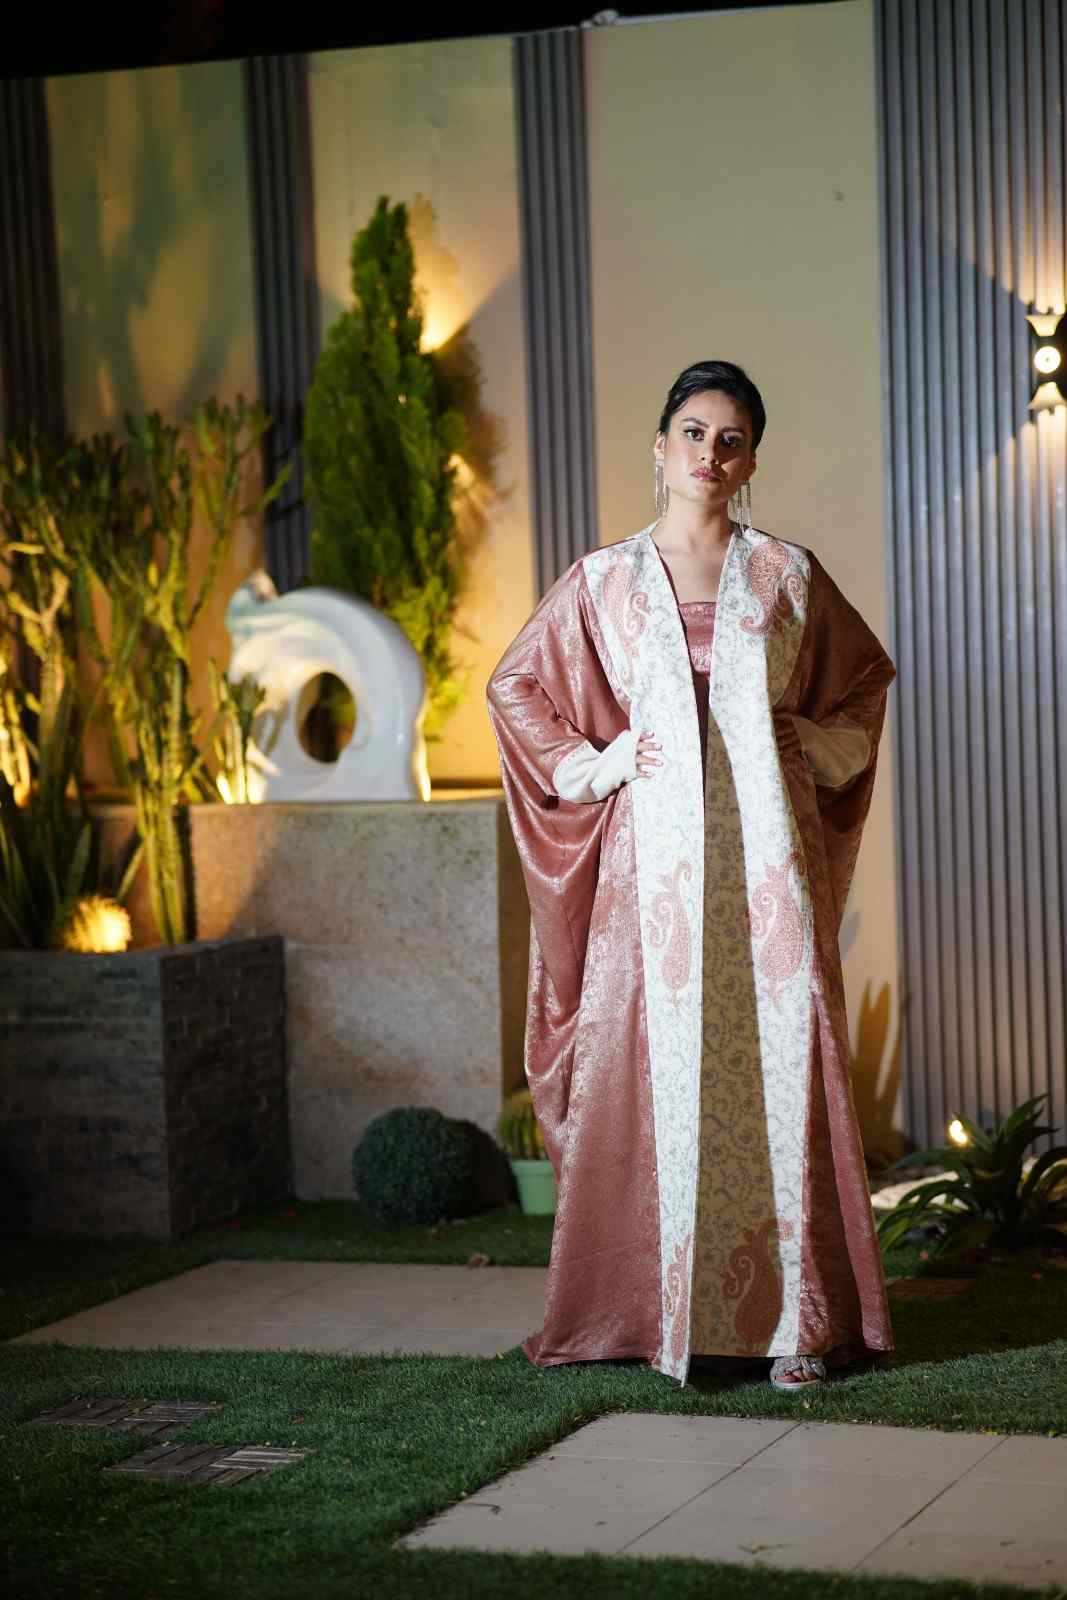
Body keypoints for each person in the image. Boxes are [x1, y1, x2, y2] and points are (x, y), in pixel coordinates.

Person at [486, 359, 896, 1391]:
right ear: (659, 448)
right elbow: (515, 686)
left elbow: (863, 682)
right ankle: (656, 1312)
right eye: (693, 433)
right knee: (651, 1071)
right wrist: (601, 761)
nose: (709, 454)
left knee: (776, 1064)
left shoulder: (785, 575)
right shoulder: (604, 581)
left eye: (730, 439)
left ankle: (796, 1325)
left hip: (766, 866)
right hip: (653, 876)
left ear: (749, 461)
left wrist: (808, 742)